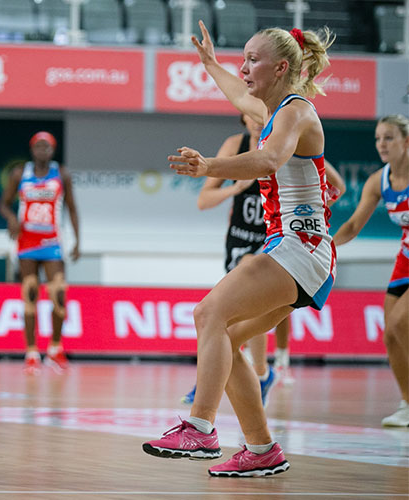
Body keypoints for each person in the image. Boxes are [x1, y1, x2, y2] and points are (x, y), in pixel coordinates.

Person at [142, 21, 335, 477]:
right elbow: (237, 94)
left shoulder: (296, 111)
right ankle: (262, 449)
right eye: (242, 58)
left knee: (208, 314)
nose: (243, 67)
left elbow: (268, 160)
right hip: (302, 250)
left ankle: (200, 427)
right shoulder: (275, 110)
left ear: (282, 67)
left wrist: (211, 165)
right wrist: (210, 64)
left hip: (299, 246)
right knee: (225, 338)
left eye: (253, 60)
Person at [181, 116, 347, 403]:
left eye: (262, 117)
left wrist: (307, 210)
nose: (259, 122)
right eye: (252, 116)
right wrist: (234, 188)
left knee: (248, 309)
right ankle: (242, 385)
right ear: (244, 117)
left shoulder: (288, 134)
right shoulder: (236, 145)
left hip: (277, 236)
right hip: (240, 236)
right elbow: (203, 200)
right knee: (228, 324)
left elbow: (337, 186)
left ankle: (259, 371)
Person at [332, 114, 409, 427]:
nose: (381, 145)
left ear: (406, 141)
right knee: (390, 333)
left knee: (402, 321)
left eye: (389, 138)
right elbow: (352, 225)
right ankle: (407, 405)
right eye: (378, 139)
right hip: (405, 257)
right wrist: (327, 247)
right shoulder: (379, 180)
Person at [0, 131, 81, 374]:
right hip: (27, 242)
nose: (42, 150)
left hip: (52, 242)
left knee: (59, 294)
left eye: (47, 146)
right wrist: (12, 218)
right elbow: (3, 204)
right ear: (32, 149)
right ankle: (32, 352)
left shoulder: (61, 173)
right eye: (38, 146)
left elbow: (73, 208)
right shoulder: (20, 173)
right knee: (30, 294)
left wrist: (77, 240)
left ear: (52, 150)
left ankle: (55, 348)